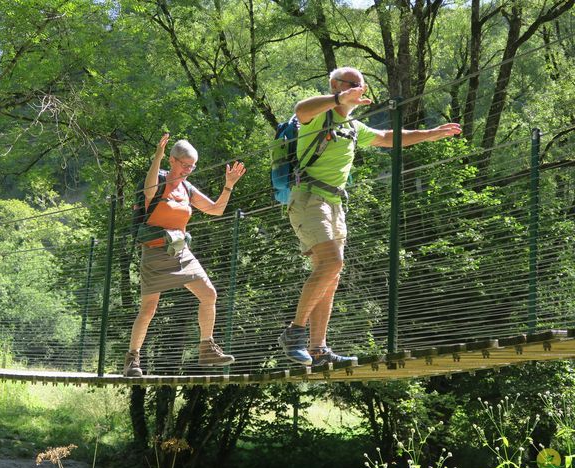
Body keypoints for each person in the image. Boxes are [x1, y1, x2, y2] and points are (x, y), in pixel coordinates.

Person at [278, 66, 462, 367]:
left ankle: (318, 349)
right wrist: (338, 97)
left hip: (335, 203)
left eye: (362, 85)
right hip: (309, 198)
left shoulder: (351, 126)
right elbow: (301, 109)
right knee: (331, 263)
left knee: (332, 275)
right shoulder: (318, 118)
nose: (361, 89)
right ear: (337, 86)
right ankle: (294, 333)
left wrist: (430, 134)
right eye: (355, 84)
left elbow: (389, 136)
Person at [123, 133, 246, 377]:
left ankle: (207, 348)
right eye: (184, 165)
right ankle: (132, 361)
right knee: (148, 308)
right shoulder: (157, 182)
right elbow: (148, 190)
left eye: (192, 167)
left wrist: (228, 185)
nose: (188, 170)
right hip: (154, 254)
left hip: (181, 253)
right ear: (172, 160)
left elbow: (216, 210)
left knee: (209, 294)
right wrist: (156, 157)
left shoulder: (187, 189)